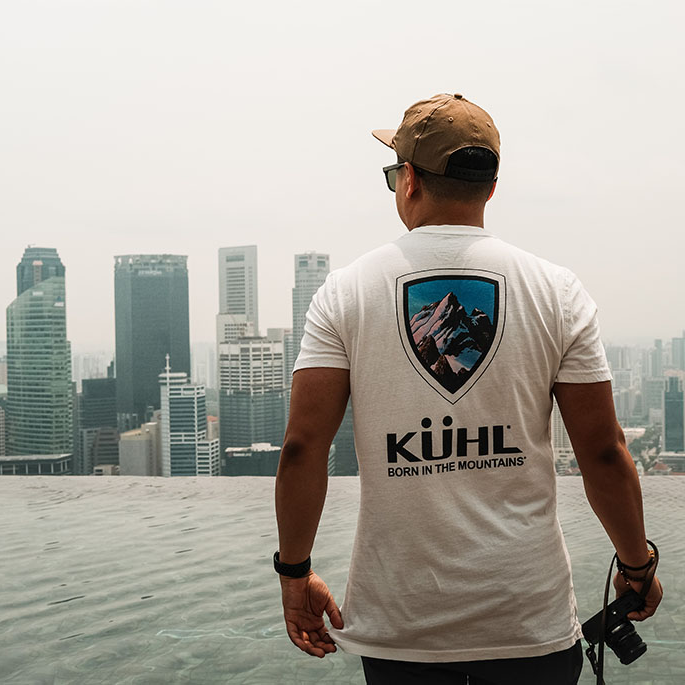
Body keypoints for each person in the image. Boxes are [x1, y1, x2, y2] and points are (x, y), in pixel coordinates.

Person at [274, 93, 662, 685]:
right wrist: (638, 565)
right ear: (491, 186)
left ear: (408, 180)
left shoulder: (345, 293)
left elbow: (303, 447)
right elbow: (604, 452)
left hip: (402, 630)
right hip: (529, 623)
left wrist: (295, 574)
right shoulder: (556, 291)